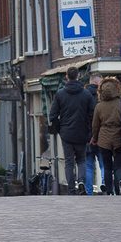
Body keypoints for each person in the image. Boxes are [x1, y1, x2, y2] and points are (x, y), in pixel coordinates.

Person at [48, 66, 96, 194]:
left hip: (67, 133)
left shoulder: (60, 94)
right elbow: (93, 114)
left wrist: (61, 129)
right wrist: (90, 130)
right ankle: (81, 181)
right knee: (82, 160)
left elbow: (52, 116)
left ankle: (71, 189)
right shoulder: (86, 94)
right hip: (82, 133)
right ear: (79, 76)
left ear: (66, 77)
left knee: (69, 161)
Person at [90, 76, 121, 194]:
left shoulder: (99, 106)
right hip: (120, 138)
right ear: (117, 89)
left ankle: (109, 191)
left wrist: (95, 137)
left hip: (104, 139)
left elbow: (95, 125)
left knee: (107, 167)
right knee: (120, 165)